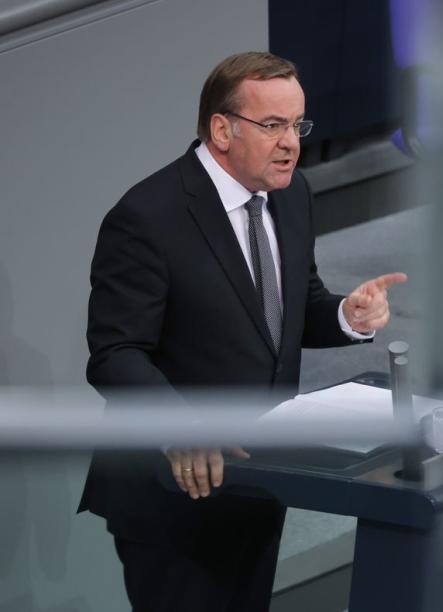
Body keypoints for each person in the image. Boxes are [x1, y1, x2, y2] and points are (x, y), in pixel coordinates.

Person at [78, 51, 406, 612]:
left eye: (298, 124)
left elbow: (290, 308)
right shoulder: (148, 217)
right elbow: (115, 354)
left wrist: (347, 317)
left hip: (259, 481)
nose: (291, 143)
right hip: (175, 496)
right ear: (222, 129)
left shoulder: (291, 195)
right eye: (272, 125)